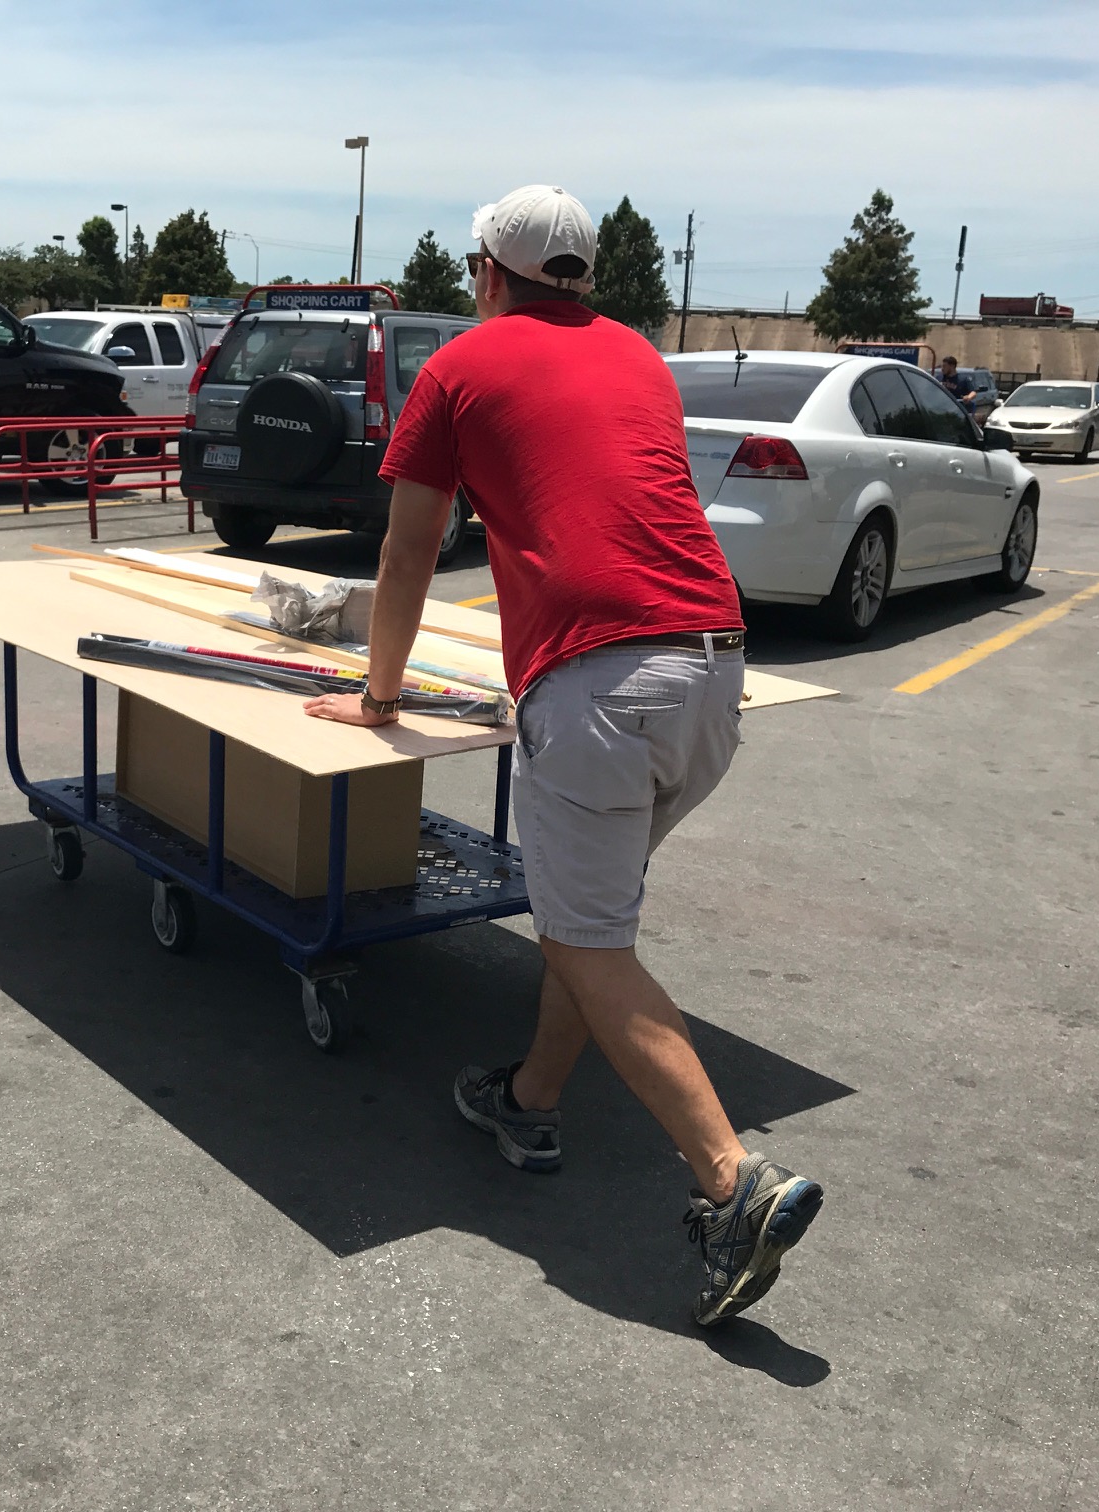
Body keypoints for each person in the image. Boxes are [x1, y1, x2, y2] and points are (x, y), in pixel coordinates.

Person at [302, 184, 824, 1327]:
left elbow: (406, 555)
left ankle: (734, 1185)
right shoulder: (639, 356)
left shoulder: (462, 369)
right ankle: (530, 1098)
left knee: (590, 941)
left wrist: (379, 697)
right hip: (715, 666)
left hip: (600, 686)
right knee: (590, 929)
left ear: (491, 272)